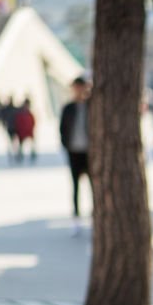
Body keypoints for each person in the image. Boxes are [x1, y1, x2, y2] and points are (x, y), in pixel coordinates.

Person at [60, 77, 92, 234]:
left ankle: (95, 216)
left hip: (90, 152)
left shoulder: (91, 106)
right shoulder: (68, 108)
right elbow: (62, 129)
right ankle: (76, 218)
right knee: (75, 186)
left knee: (94, 186)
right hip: (74, 151)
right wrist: (66, 145)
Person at [13, 99, 36, 164]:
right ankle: (20, 155)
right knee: (21, 145)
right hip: (22, 132)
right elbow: (18, 122)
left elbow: (33, 121)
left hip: (29, 131)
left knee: (31, 143)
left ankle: (32, 154)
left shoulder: (29, 113)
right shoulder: (21, 113)